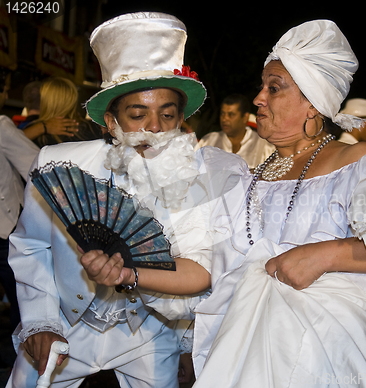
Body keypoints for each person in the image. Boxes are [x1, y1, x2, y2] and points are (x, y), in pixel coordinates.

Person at [81, 20, 366, 387]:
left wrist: (327, 254)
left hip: (329, 351)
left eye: (273, 88)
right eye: (262, 87)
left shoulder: (359, 161)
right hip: (241, 344)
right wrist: (129, 274)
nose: (258, 99)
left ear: (313, 101)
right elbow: (209, 270)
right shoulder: (248, 177)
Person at [7, 12, 243, 388]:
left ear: (181, 120)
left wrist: (185, 344)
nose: (155, 128)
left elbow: (200, 266)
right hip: (69, 324)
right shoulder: (59, 167)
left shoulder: (195, 178)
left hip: (148, 332)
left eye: (168, 115)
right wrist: (40, 321)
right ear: (111, 122)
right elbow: (31, 245)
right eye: (138, 114)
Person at [0, 70, 40, 332]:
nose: (5, 95)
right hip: (5, 230)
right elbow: (38, 166)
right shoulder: (2, 126)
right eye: (3, 90)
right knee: (24, 302)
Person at [196, 93, 275, 169]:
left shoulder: (264, 146)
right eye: (222, 114)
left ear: (245, 118)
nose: (224, 119)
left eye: (231, 115)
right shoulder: (208, 141)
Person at [22, 77, 102, 147]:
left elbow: (14, 142)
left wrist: (43, 127)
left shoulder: (35, 133)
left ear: (46, 101)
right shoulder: (93, 128)